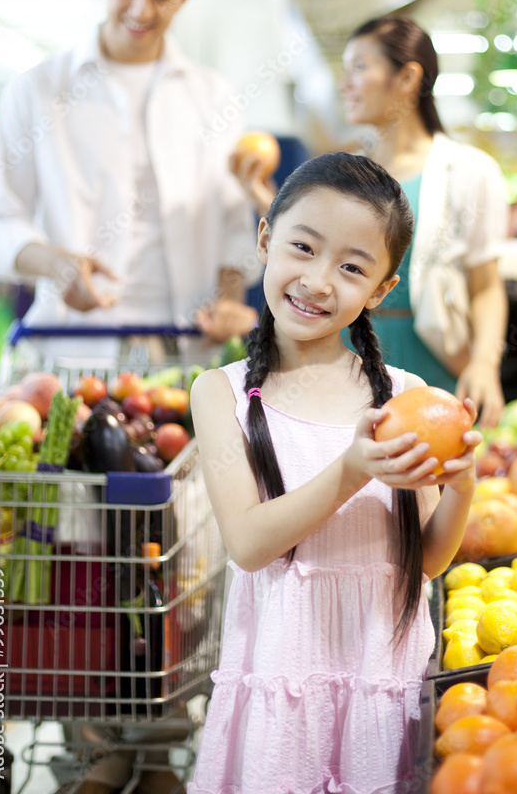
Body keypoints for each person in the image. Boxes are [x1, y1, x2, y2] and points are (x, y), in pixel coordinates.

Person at [188, 152, 479, 792]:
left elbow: (428, 560)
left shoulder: (407, 398)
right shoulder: (223, 393)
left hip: (382, 676)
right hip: (281, 683)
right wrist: (350, 471)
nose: (319, 281)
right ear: (266, 239)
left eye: (351, 267)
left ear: (381, 290)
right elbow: (249, 543)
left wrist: (461, 488)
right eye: (303, 247)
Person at [0, 0, 258, 362]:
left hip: (186, 349)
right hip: (71, 348)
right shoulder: (37, 90)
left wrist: (229, 299)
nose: (140, 10)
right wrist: (57, 265)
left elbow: (231, 224)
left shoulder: (213, 96)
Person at [340, 16, 509, 428]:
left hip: (432, 367)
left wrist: (485, 364)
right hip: (344, 360)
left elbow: (485, 285)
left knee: (430, 483)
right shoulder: (342, 174)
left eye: (359, 68)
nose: (345, 84)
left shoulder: (468, 171)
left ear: (407, 76)